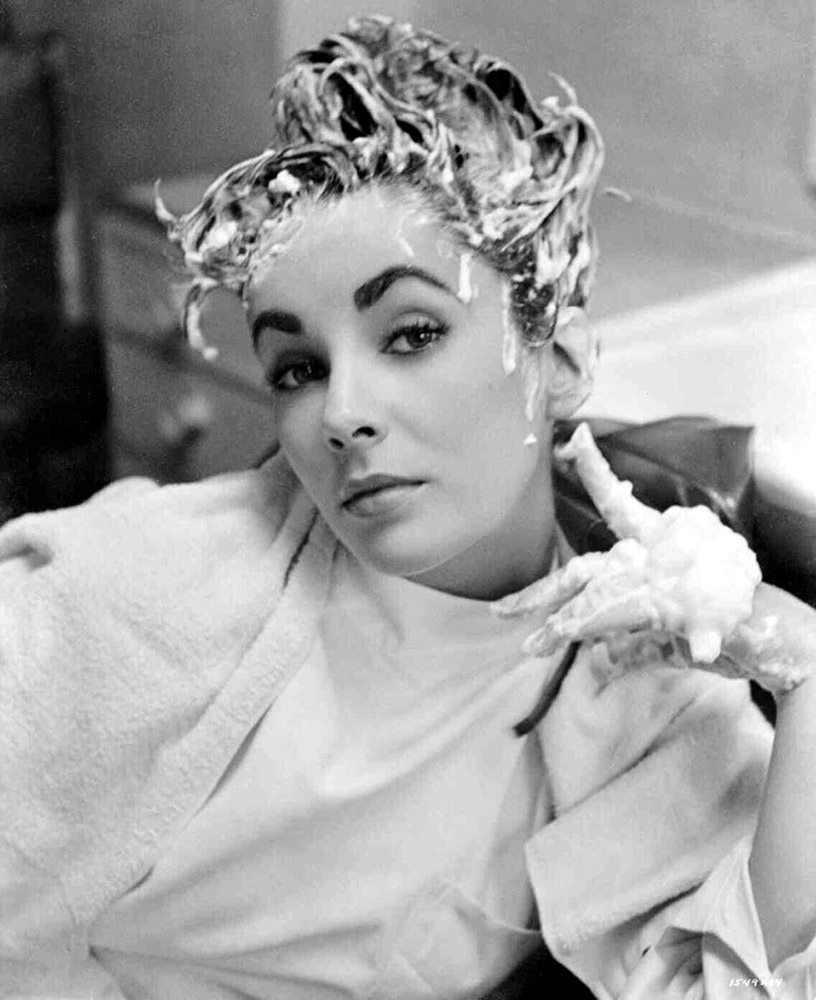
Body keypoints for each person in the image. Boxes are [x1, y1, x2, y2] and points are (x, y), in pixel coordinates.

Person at [1, 15, 814, 999]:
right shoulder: (142, 590)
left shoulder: (635, 694)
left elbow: (737, 984)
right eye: (297, 367)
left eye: (411, 333)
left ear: (557, 364)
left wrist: (808, 669)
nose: (340, 413)